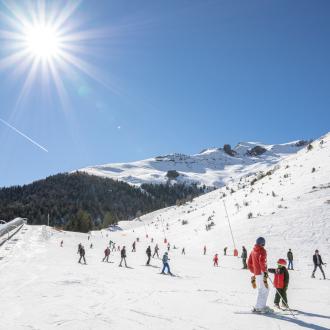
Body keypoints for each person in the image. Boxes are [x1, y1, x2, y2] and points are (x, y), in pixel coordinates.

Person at [248, 237, 271, 313]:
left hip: (257, 273)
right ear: (262, 243)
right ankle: (260, 307)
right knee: (265, 289)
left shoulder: (253, 251)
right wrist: (264, 271)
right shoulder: (262, 250)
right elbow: (262, 261)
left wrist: (254, 271)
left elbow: (249, 263)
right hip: (261, 273)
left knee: (263, 289)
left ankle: (260, 306)